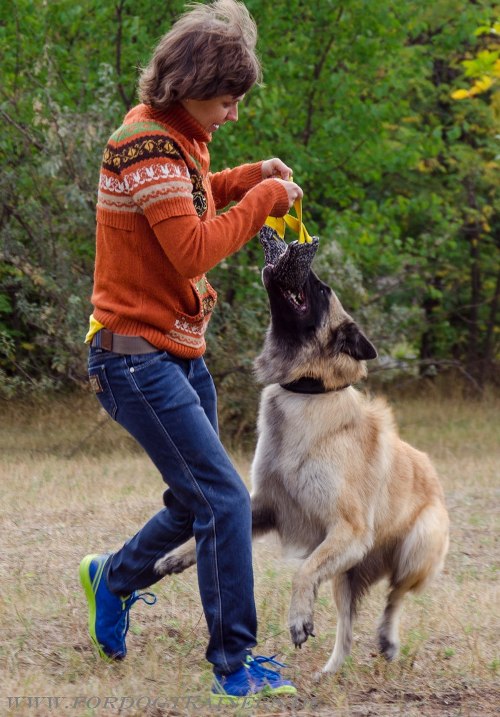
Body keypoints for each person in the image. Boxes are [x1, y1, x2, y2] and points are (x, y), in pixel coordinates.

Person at [78, 0, 303, 705]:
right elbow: (192, 246)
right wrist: (265, 194)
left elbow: (195, 197)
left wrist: (247, 175)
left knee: (193, 500)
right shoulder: (142, 144)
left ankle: (112, 576)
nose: (232, 113)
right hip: (132, 358)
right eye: (226, 99)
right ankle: (234, 665)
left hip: (175, 348)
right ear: (189, 85)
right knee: (227, 500)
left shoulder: (179, 139)